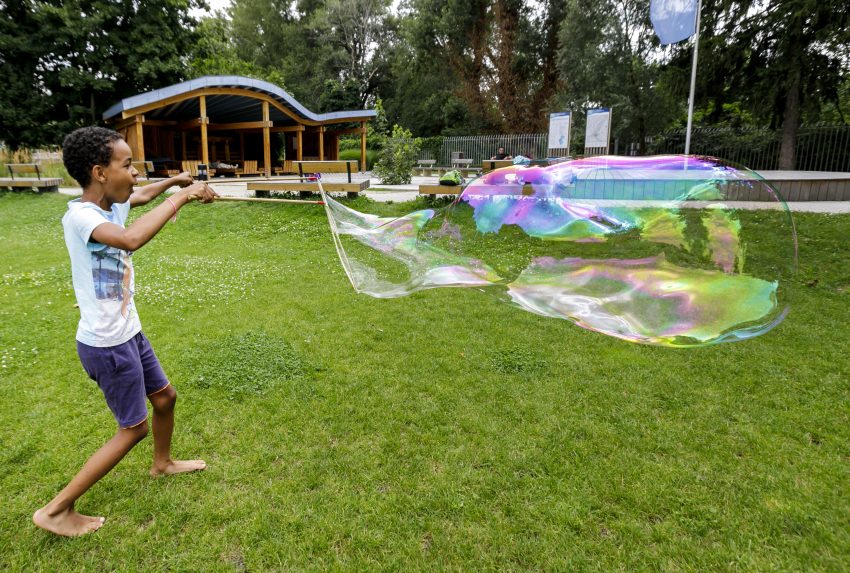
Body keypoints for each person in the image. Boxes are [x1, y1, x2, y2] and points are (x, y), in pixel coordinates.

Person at [32, 126, 218, 537]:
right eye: (127, 165)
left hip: (128, 332)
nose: (135, 174)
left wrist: (176, 181)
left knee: (165, 398)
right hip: (106, 344)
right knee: (132, 428)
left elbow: (141, 197)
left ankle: (162, 463)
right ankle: (56, 509)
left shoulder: (110, 204)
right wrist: (182, 197)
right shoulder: (82, 217)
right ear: (99, 172)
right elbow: (131, 240)